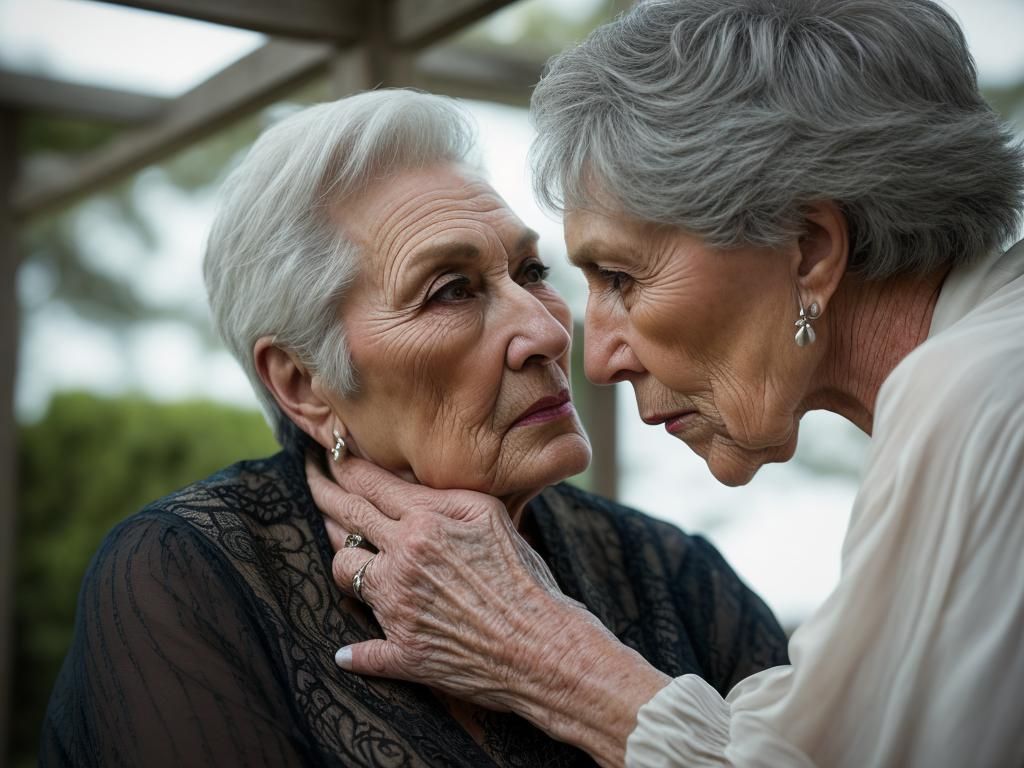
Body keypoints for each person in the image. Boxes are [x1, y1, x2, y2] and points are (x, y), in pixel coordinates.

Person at [311, 2, 1024, 766]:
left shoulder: (975, 395)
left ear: (808, 249)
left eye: (620, 276)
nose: (596, 358)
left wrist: (540, 651)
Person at [40, 90, 789, 767]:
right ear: (305, 384)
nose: (548, 332)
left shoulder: (675, 576)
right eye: (450, 291)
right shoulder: (188, 577)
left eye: (531, 273)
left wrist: (551, 652)